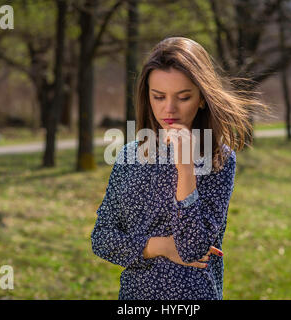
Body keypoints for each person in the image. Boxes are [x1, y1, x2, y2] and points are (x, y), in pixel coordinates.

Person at [91, 36, 267, 300]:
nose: (169, 109)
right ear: (146, 96)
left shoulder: (218, 158)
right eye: (158, 97)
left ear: (201, 99)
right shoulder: (129, 155)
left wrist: (185, 168)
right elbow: (102, 239)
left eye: (183, 97)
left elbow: (192, 248)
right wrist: (159, 246)